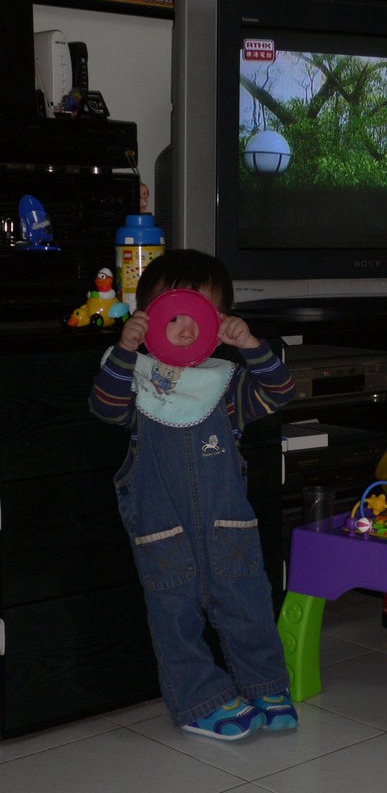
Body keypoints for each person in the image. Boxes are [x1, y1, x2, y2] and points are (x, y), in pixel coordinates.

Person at [89, 249, 298, 741]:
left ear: (219, 323)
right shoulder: (138, 383)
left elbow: (280, 391)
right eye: (173, 316)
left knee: (248, 604)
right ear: (147, 318)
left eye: (201, 315)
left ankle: (265, 685)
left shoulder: (224, 386)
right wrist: (125, 348)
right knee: (174, 616)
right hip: (164, 532)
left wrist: (250, 345)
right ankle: (199, 700)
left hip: (229, 532)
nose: (185, 329)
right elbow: (105, 406)